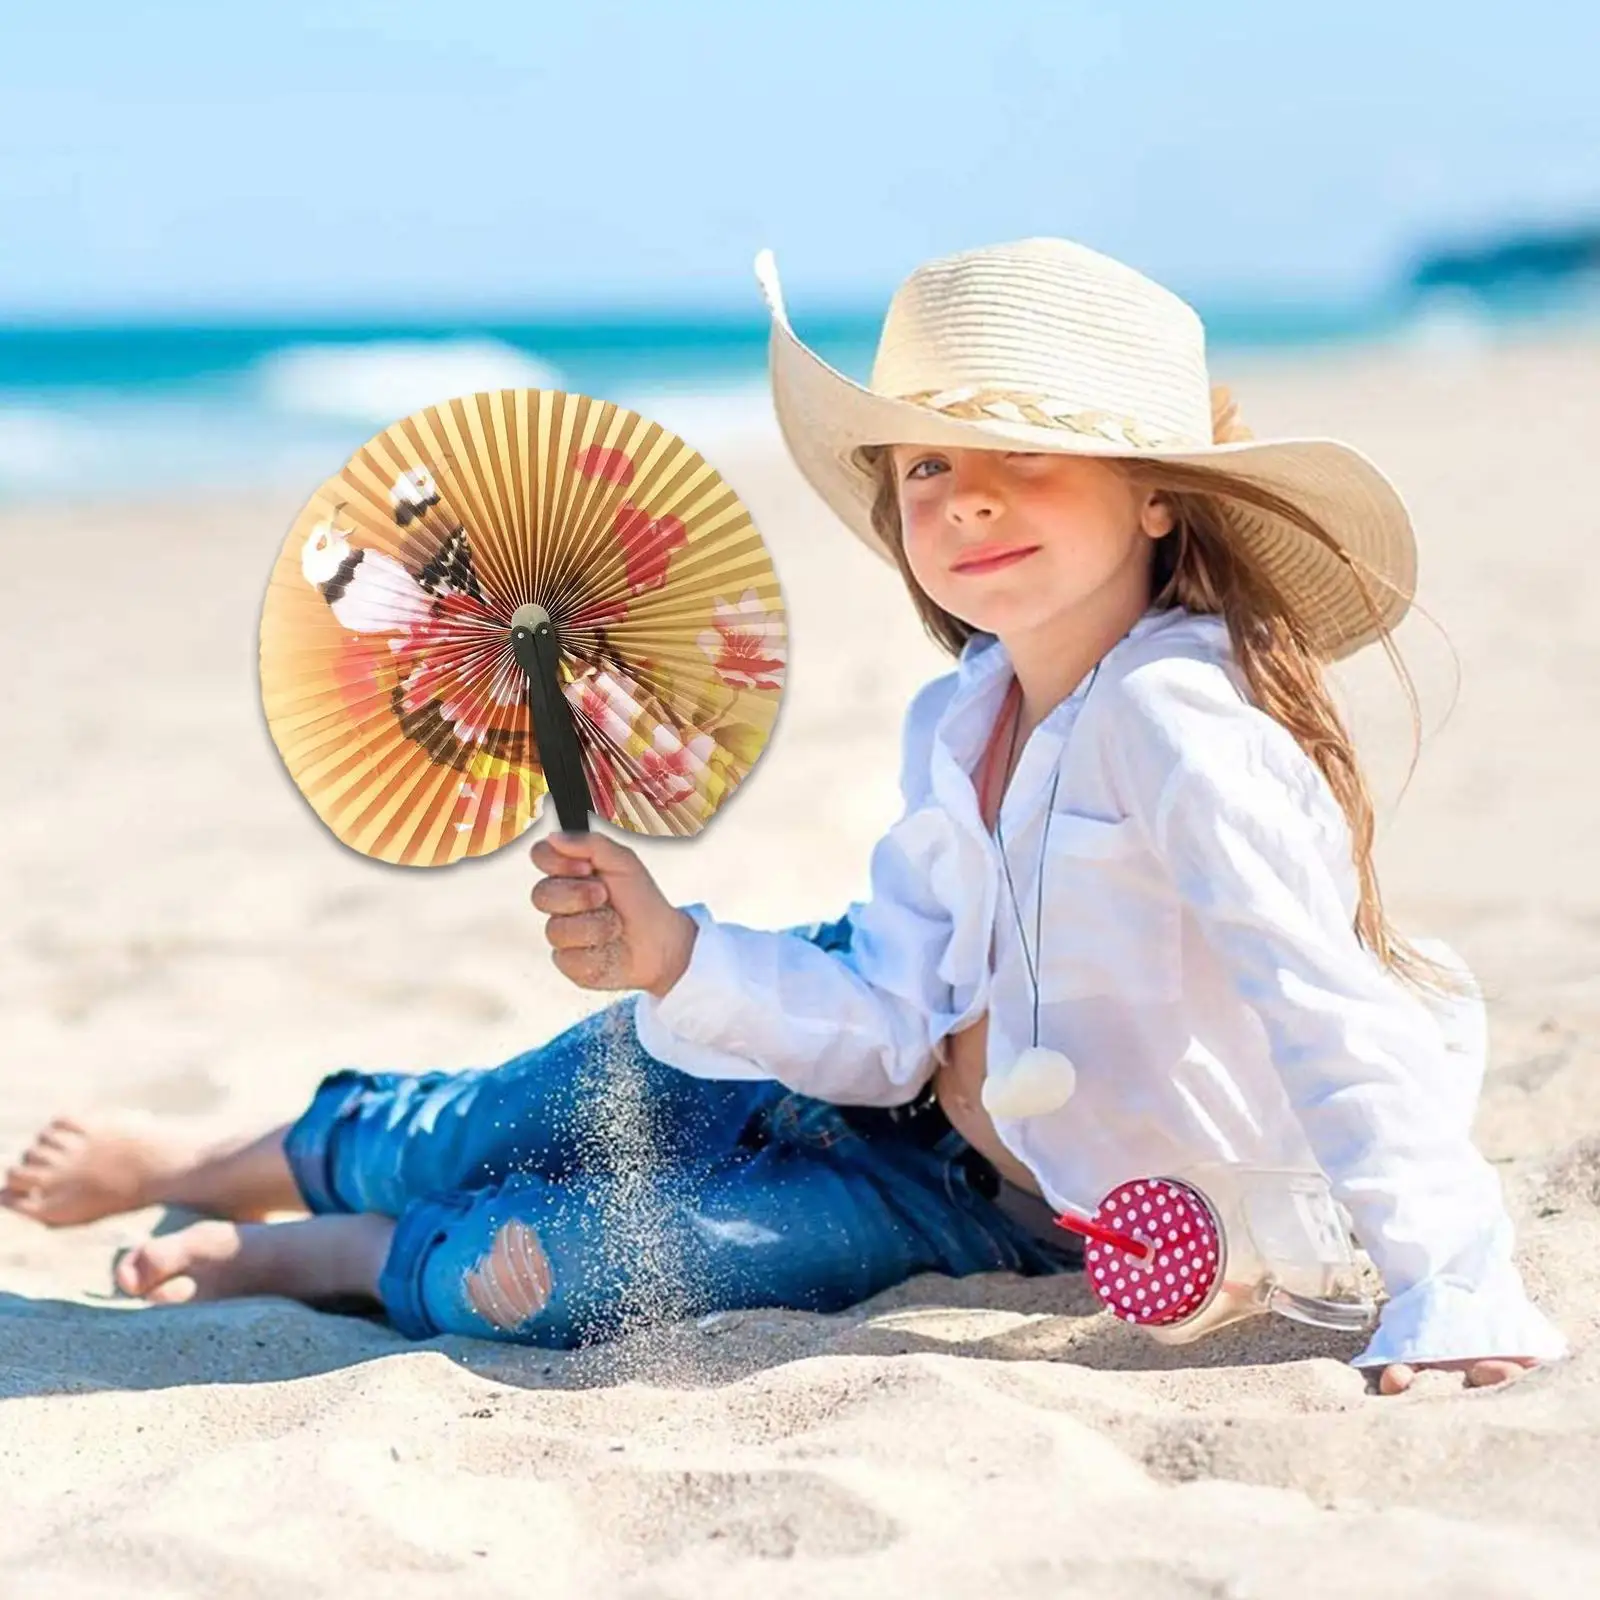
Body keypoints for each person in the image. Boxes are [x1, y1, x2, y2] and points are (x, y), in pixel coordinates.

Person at [2, 237, 1568, 1395]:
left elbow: (1324, 998)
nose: (962, 500)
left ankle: (328, 1254)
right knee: (520, 1105)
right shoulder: (959, 717)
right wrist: (680, 950)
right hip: (872, 1035)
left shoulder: (1184, 719)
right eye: (931, 462)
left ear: (1158, 492)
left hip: (994, 1204)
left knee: (567, 1277)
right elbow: (889, 1009)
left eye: (1026, 455)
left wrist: (1454, 1277)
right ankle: (229, 1157)